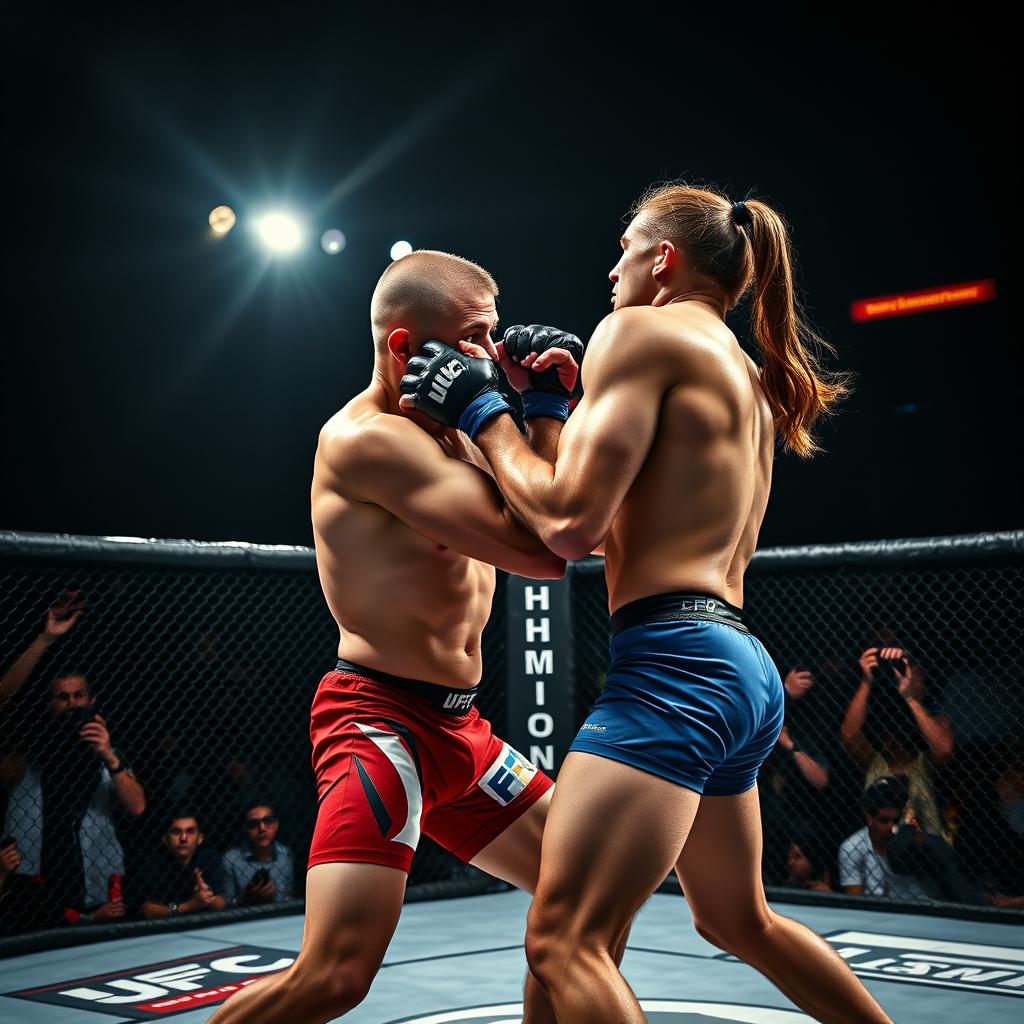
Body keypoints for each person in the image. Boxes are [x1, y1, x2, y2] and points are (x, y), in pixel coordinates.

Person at [401, 184, 891, 1022]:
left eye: (625, 247)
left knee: (563, 942)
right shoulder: (740, 368)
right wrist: (547, 410)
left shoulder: (637, 332)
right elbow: (592, 526)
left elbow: (560, 524)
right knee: (737, 919)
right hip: (738, 670)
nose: (610, 267)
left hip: (674, 668)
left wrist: (484, 413)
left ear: (662, 259)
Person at [209, 250, 576, 1024]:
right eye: (474, 338)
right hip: (380, 721)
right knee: (335, 976)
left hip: (460, 730)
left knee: (578, 897)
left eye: (493, 334)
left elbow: (555, 516)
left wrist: (541, 401)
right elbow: (544, 551)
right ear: (406, 349)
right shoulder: (368, 442)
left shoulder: (463, 431)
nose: (488, 354)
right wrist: (522, 413)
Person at [841, 645, 953, 838]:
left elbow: (944, 749)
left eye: (913, 672)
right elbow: (849, 737)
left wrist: (910, 699)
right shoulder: (875, 761)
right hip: (878, 847)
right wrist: (867, 681)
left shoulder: (924, 760)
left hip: (924, 848)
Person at [838, 776, 931, 901]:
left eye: (896, 820)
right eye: (884, 820)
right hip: (875, 914)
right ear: (869, 818)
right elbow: (855, 903)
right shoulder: (851, 848)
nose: (891, 827)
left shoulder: (913, 838)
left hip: (917, 910)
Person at [136, 812, 226, 918]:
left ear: (200, 838)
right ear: (165, 838)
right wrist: (187, 906)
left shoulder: (209, 858)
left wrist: (208, 898)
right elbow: (149, 909)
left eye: (190, 831)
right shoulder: (153, 864)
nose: (183, 838)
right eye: (176, 832)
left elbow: (221, 902)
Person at [222, 800, 295, 905]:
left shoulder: (286, 854)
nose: (262, 829)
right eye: (253, 824)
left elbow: (289, 895)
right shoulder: (231, 860)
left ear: (276, 824)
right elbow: (226, 905)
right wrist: (247, 897)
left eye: (268, 821)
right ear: (245, 829)